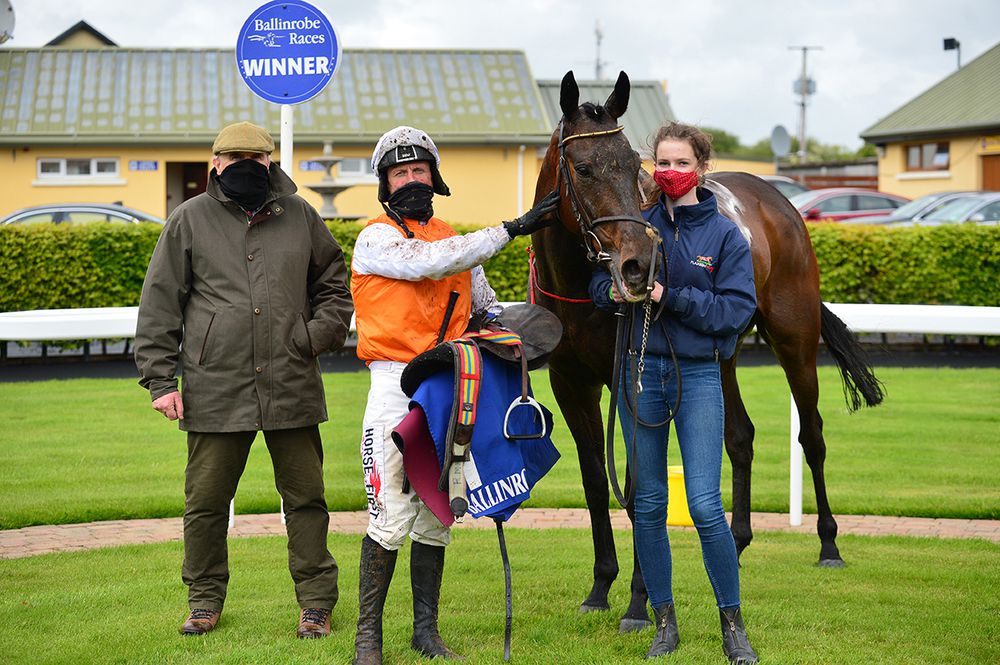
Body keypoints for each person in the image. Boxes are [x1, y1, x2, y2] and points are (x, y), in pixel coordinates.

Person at [134, 121, 354, 639]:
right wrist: (161, 380)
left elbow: (334, 287)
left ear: (270, 161)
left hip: (292, 379)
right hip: (215, 384)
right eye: (233, 158)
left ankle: (316, 604)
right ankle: (204, 600)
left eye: (254, 158)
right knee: (206, 503)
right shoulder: (188, 219)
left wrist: (311, 336)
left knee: (306, 499)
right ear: (215, 163)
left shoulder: (301, 215)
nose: (244, 166)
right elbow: (159, 302)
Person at [349, 125, 558, 665]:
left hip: (448, 385)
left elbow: (483, 305)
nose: (411, 179)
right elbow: (427, 262)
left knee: (437, 512)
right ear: (385, 184)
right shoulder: (374, 238)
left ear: (435, 177)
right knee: (391, 512)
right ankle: (366, 640)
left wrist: (528, 331)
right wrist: (513, 228)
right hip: (395, 384)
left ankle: (426, 632)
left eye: (420, 170)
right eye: (400, 172)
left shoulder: (456, 240)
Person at [589, 121, 759, 664]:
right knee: (649, 506)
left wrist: (669, 295)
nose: (671, 172)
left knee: (707, 507)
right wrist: (614, 289)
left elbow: (736, 311)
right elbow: (596, 285)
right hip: (640, 373)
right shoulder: (635, 223)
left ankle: (732, 624)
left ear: (701, 168)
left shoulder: (726, 236)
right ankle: (664, 622)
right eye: (663, 162)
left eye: (682, 163)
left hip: (700, 378)